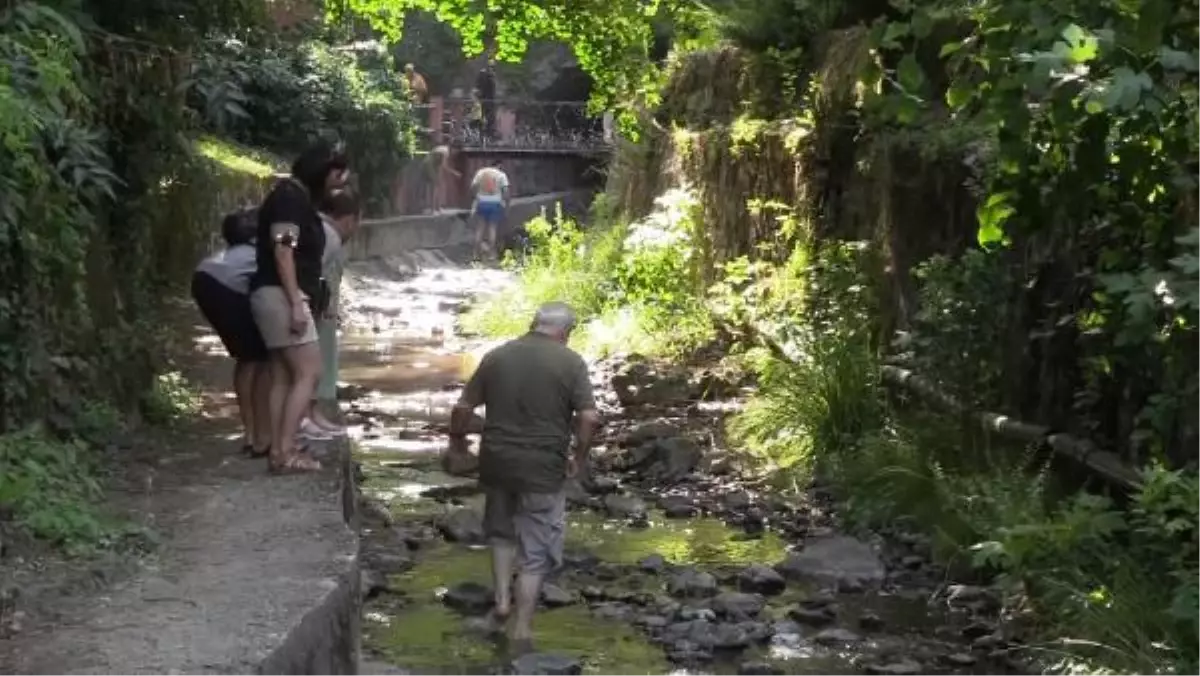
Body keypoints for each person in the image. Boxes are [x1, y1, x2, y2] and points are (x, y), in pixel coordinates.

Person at [448, 302, 600, 652]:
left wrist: (457, 445)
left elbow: (462, 409)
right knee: (534, 554)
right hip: (543, 469)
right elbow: (589, 418)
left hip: (497, 463)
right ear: (565, 333)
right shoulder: (571, 362)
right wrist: (579, 456)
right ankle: (521, 629)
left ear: (533, 324)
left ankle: (501, 602)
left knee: (501, 534)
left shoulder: (498, 356)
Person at [250, 141, 349, 474]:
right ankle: (286, 448)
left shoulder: (293, 198)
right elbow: (283, 250)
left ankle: (280, 450)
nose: (340, 184)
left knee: (282, 375)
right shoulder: (290, 201)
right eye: (337, 175)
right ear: (323, 172)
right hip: (281, 295)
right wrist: (295, 301)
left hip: (274, 293)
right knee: (309, 371)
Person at [191, 210, 271, 457]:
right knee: (257, 359)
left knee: (247, 357)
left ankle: (250, 432)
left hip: (203, 277)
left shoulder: (235, 253)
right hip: (224, 288)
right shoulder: (261, 250)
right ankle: (257, 435)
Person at [300, 189, 361, 440]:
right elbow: (310, 274)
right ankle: (307, 419)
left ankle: (313, 415)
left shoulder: (317, 230)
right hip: (311, 310)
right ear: (349, 219)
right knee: (310, 368)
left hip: (314, 308)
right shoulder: (330, 237)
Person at [470, 160, 509, 259]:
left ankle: (476, 255)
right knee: (492, 229)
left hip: (482, 203)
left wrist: (477, 197)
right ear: (499, 166)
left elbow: (473, 187)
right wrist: (505, 203)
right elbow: (506, 191)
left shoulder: (481, 172)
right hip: (495, 204)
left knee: (479, 229)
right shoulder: (501, 175)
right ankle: (491, 254)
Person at [426, 143, 461, 213]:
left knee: (437, 186)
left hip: (432, 165)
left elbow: (439, 164)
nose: (455, 153)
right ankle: (433, 209)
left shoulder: (444, 149)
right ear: (453, 148)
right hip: (429, 166)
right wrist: (454, 173)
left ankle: (437, 208)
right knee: (435, 188)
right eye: (456, 151)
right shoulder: (445, 152)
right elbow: (444, 166)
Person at [475, 59, 497, 139]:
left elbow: (478, 87)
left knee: (488, 118)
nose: (491, 68)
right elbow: (479, 87)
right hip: (486, 100)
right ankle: (485, 134)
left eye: (492, 67)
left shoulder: (488, 74)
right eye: (491, 66)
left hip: (488, 100)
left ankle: (488, 134)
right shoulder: (485, 74)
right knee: (485, 117)